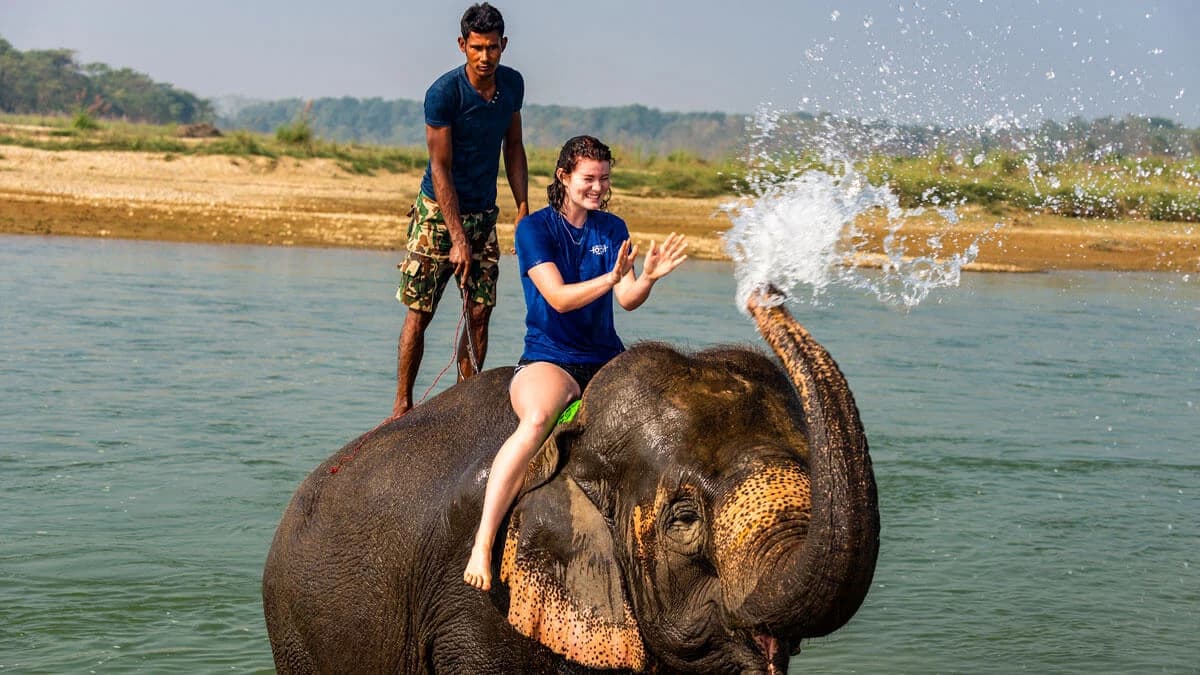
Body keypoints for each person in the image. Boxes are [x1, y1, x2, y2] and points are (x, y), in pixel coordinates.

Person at [463, 135, 688, 590]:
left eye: (604, 179)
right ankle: (483, 543)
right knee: (539, 419)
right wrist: (611, 276)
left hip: (606, 359)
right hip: (551, 359)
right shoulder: (534, 229)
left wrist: (645, 278)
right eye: (589, 178)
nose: (598, 187)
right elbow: (560, 299)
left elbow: (625, 299)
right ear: (564, 177)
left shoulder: (612, 227)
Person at [393, 2, 528, 418]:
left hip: (484, 213)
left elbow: (515, 147)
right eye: (476, 48)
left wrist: (523, 208)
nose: (485, 57)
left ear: (504, 45)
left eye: (492, 48)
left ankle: (462, 406)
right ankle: (402, 404)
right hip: (438, 212)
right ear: (462, 45)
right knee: (421, 312)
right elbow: (441, 167)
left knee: (480, 311)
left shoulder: (511, 86)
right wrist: (456, 238)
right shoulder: (443, 93)